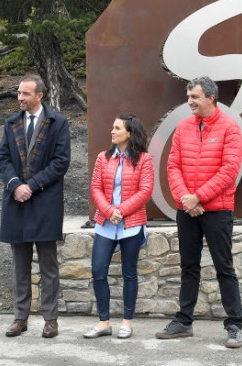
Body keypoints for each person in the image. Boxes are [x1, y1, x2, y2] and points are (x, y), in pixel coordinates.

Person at [155, 76, 242, 348]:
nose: (189, 101)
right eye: (189, 96)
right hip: (187, 209)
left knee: (224, 268)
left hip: (217, 210)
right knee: (188, 267)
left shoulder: (230, 128)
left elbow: (229, 171)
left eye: (194, 97)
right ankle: (183, 322)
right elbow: (173, 166)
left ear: (211, 98)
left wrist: (198, 197)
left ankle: (234, 326)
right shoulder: (183, 128)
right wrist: (186, 199)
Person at [0, 74, 71, 338]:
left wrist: (32, 185)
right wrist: (16, 184)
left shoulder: (58, 123)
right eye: (18, 93)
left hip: (46, 202)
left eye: (25, 94)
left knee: (49, 266)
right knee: (20, 266)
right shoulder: (11, 123)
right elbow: (3, 158)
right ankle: (20, 318)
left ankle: (51, 320)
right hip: (16, 202)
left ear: (40, 95)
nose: (20, 98)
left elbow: (61, 162)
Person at [84, 114, 154, 339]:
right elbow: (95, 188)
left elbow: (145, 191)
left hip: (131, 224)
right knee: (97, 271)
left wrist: (120, 211)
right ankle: (104, 323)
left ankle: (127, 322)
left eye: (117, 128)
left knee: (129, 274)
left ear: (129, 133)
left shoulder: (144, 159)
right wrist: (109, 211)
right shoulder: (103, 158)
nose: (112, 131)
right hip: (106, 223)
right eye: (112, 127)